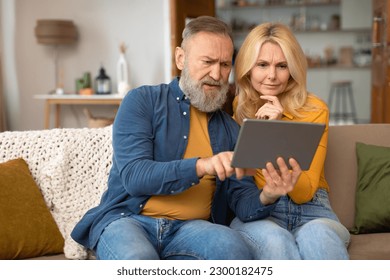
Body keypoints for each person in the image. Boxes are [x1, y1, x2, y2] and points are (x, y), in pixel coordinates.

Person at [71, 16, 291, 260]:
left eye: (225, 64)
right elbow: (135, 176)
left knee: (233, 249)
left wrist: (268, 194)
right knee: (138, 261)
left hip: (193, 228)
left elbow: (241, 200)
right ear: (180, 58)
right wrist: (202, 165)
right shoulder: (142, 101)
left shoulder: (230, 129)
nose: (217, 74)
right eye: (207, 62)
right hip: (130, 221)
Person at [230, 22, 351, 260]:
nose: (272, 76)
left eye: (282, 66)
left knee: (316, 235)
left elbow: (303, 192)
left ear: (293, 69)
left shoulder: (314, 109)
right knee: (276, 240)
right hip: (262, 209)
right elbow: (246, 177)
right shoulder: (240, 108)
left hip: (314, 211)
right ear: (247, 69)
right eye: (262, 65)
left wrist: (275, 130)